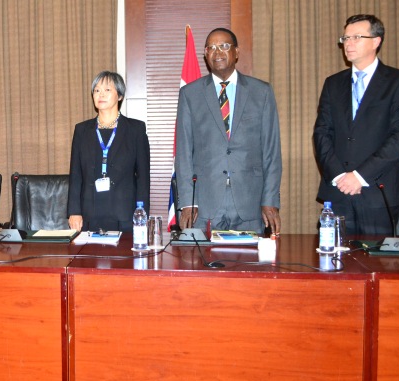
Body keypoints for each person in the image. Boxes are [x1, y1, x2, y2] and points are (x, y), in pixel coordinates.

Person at [313, 14, 399, 235]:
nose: (348, 44)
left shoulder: (398, 82)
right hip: (338, 193)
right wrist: (340, 176)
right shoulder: (333, 84)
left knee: (378, 266)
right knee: (335, 264)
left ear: (376, 41)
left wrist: (359, 176)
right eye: (345, 38)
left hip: (378, 196)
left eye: (356, 37)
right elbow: (322, 133)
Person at [175, 27, 282, 235]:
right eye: (211, 48)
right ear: (205, 55)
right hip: (204, 206)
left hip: (250, 202)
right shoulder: (190, 94)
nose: (218, 52)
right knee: (202, 265)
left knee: (249, 264)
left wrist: (270, 200)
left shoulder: (261, 92)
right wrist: (188, 201)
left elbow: (272, 152)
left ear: (236, 52)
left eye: (224, 46)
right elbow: (184, 153)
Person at [68, 71, 150, 232]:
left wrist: (141, 215)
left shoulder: (135, 130)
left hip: (124, 214)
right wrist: (74, 211)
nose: (101, 94)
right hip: (88, 214)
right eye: (97, 90)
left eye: (107, 90)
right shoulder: (82, 130)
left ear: (119, 95)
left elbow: (143, 178)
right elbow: (75, 175)